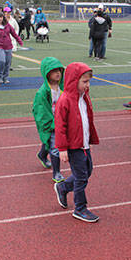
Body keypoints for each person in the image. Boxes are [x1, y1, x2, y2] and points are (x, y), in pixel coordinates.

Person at [53, 62, 100, 223]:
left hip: (83, 144)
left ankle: (63, 187)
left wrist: (89, 139)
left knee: (88, 171)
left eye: (89, 81)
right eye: (84, 82)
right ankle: (80, 208)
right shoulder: (65, 100)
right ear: (74, 81)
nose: (87, 85)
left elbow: (87, 120)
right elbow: (60, 126)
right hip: (73, 146)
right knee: (81, 177)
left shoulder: (84, 98)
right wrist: (62, 148)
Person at [33, 57, 66, 183]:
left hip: (61, 121)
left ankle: (42, 154)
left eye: (59, 70)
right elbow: (41, 111)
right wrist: (52, 124)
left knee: (49, 141)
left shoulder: (62, 88)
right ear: (47, 73)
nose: (58, 73)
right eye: (54, 71)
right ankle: (56, 172)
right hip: (51, 122)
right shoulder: (42, 92)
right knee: (55, 145)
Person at [0, 10, 22, 84]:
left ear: (3, 18)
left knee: (8, 63)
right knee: (2, 61)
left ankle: (5, 77)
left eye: (1, 17)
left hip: (8, 46)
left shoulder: (7, 25)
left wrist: (19, 41)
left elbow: (14, 33)